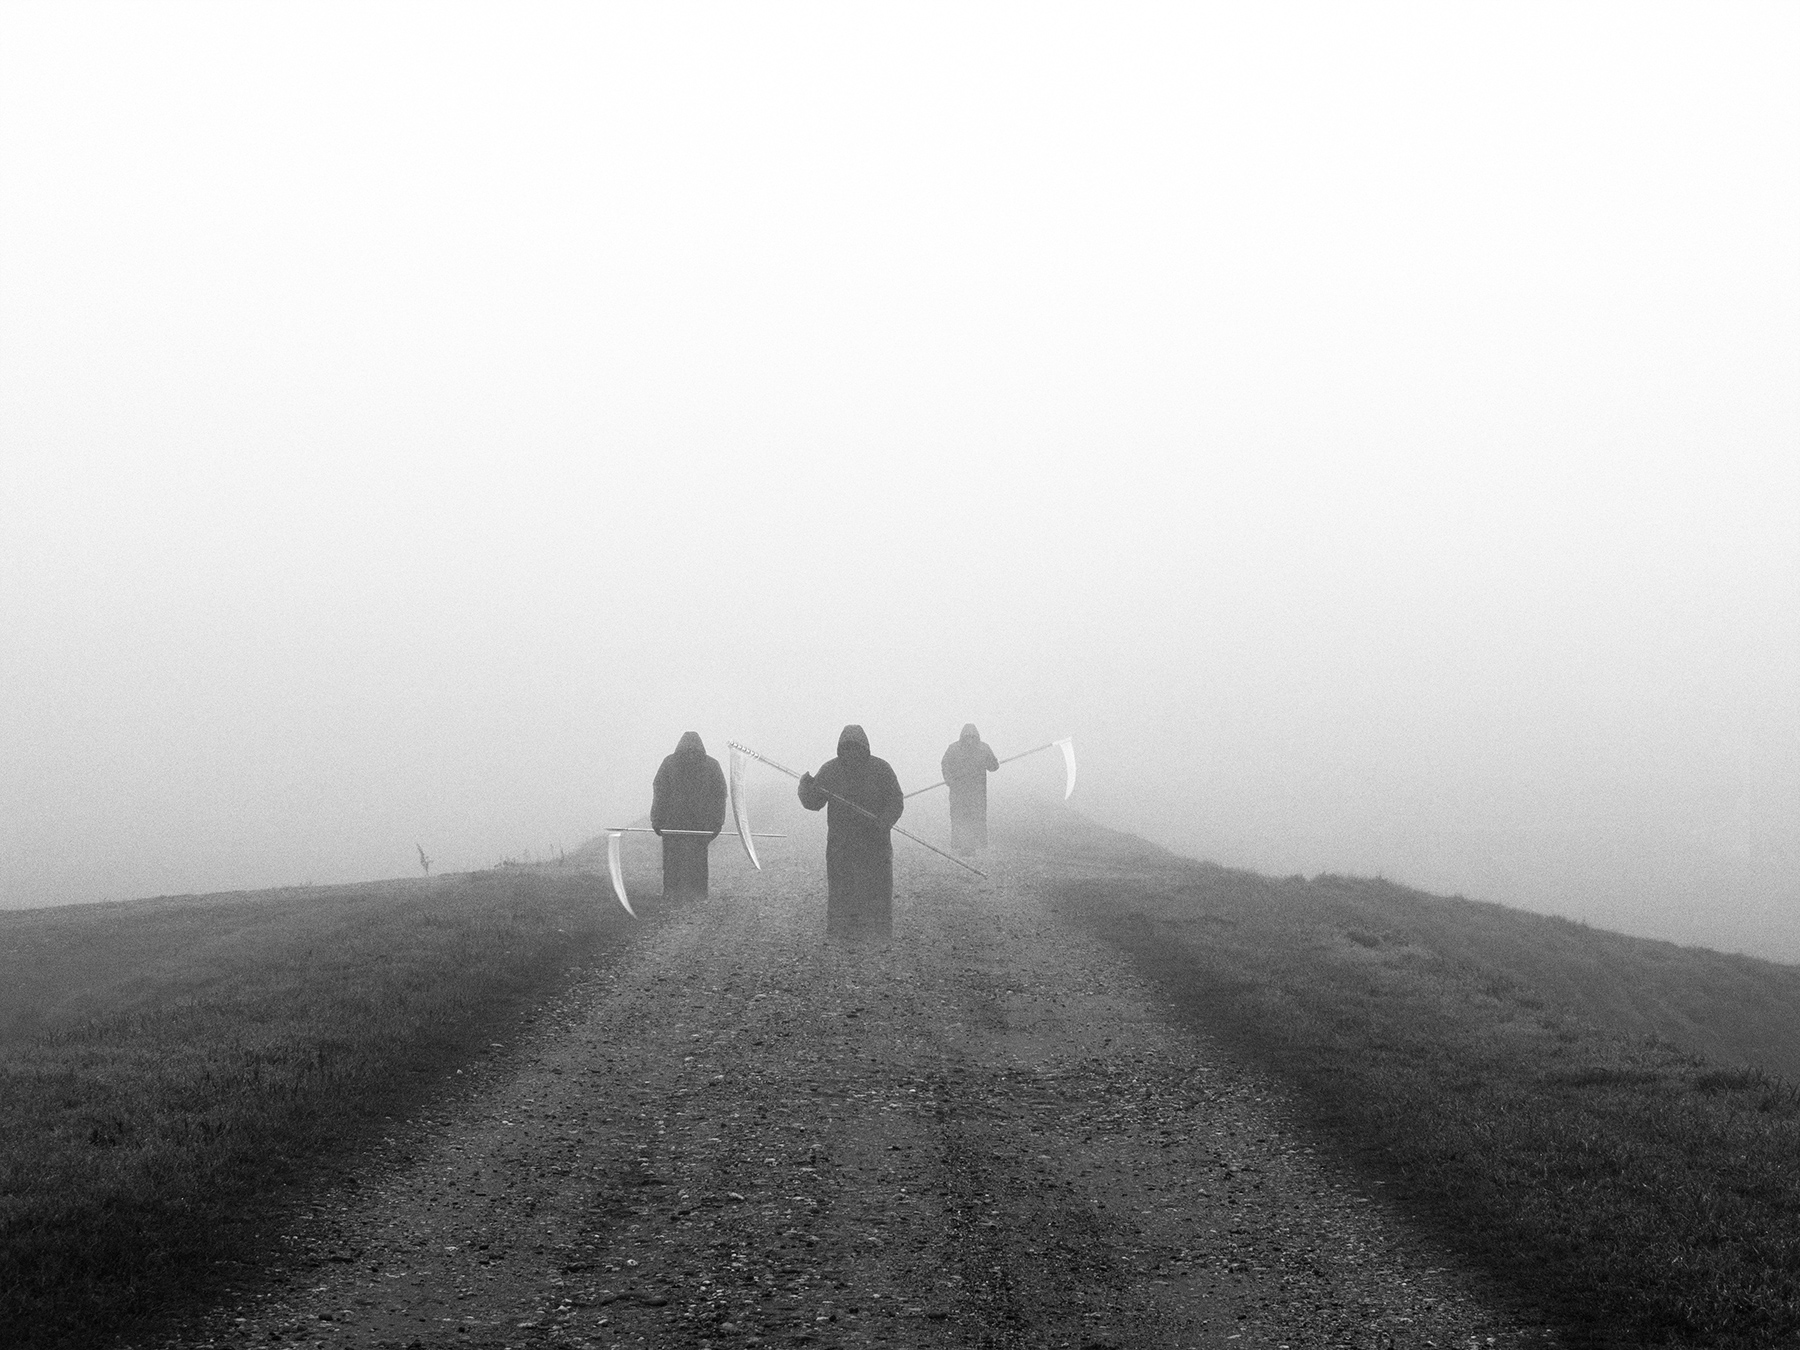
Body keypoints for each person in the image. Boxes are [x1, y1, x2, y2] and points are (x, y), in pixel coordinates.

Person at [797, 724, 905, 937]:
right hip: (841, 842)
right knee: (841, 887)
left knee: (878, 887)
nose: (852, 751)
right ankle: (841, 931)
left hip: (875, 841)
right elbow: (813, 803)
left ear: (864, 746)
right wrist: (805, 787)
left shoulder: (881, 769)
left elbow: (895, 800)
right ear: (841, 747)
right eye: (847, 747)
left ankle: (879, 931)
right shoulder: (830, 770)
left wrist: (885, 820)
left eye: (856, 747)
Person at [651, 731, 727, 900]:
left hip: (672, 822)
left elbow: (659, 791)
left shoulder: (669, 763)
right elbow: (720, 795)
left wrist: (657, 819)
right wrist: (717, 822)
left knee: (672, 860)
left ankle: (671, 893)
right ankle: (699, 893)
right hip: (701, 824)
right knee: (698, 859)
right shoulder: (712, 765)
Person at [940, 722, 1000, 853]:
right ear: (962, 736)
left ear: (976, 736)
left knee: (976, 817)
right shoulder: (953, 749)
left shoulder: (984, 749)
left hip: (977, 791)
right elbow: (945, 765)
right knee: (959, 817)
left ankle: (974, 845)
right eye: (967, 736)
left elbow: (993, 767)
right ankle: (960, 844)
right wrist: (949, 780)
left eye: (972, 736)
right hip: (958, 791)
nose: (970, 739)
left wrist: (990, 762)